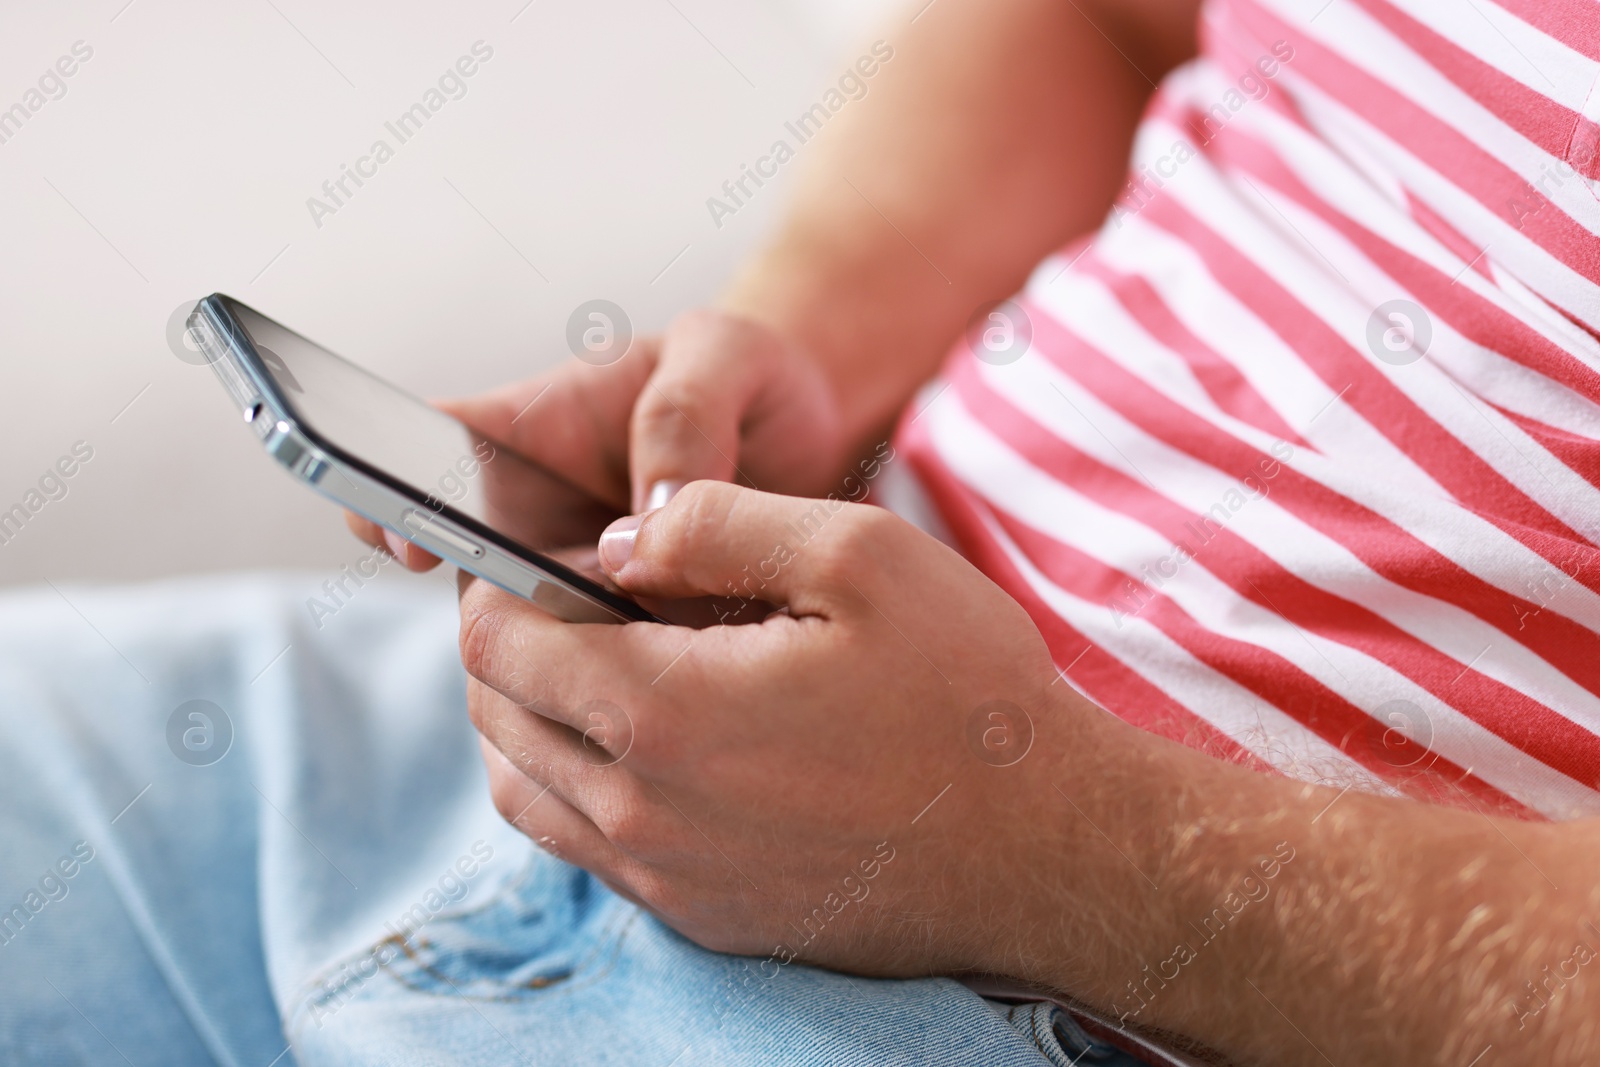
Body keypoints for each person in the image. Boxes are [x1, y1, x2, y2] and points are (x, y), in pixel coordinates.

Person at [5, 0, 1599, 1063]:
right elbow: (1107, 21)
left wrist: (1047, 844)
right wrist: (808, 348)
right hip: (520, 773)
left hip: (1111, 997)